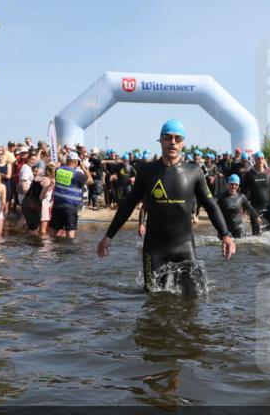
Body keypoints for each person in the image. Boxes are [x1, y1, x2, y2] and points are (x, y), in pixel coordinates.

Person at [97, 119, 235, 295]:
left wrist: (226, 235)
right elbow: (129, 204)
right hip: (154, 250)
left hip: (184, 247)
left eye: (178, 138)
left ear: (183, 142)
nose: (172, 142)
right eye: (168, 137)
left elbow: (210, 205)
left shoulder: (194, 172)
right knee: (153, 300)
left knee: (193, 300)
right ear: (160, 140)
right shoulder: (147, 171)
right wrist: (108, 236)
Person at [49, 150, 93, 239]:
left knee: (52, 233)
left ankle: (50, 251)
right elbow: (90, 181)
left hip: (57, 205)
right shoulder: (77, 174)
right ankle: (69, 251)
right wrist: (84, 168)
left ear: (67, 160)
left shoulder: (58, 170)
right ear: (76, 161)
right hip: (70, 207)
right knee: (70, 235)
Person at [240, 151, 270, 232]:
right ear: (255, 160)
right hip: (254, 208)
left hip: (268, 206)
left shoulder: (269, 172)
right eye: (258, 159)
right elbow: (243, 191)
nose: (260, 160)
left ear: (264, 160)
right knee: (256, 234)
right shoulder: (249, 174)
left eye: (262, 158)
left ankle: (266, 230)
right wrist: (242, 207)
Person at [218, 174, 261, 238]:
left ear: (238, 185)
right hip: (226, 229)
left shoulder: (241, 197)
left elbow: (249, 207)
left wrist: (256, 217)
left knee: (241, 246)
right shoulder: (221, 197)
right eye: (232, 184)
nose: (234, 186)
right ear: (228, 184)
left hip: (239, 228)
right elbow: (212, 206)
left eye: (236, 184)